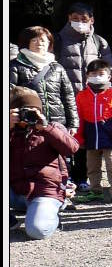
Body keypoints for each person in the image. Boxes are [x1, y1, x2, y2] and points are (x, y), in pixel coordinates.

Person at [54, 2, 112, 192]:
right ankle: (66, 178)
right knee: (66, 138)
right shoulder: (58, 40)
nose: (79, 22)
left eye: (84, 19)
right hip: (67, 98)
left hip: (95, 99)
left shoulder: (99, 41)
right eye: (75, 19)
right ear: (68, 18)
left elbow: (111, 70)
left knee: (87, 139)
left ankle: (84, 178)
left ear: (92, 20)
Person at [9, 87, 78, 240]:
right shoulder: (10, 130)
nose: (28, 115)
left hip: (44, 190)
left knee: (37, 231)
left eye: (34, 110)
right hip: (15, 192)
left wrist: (46, 128)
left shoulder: (52, 128)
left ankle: (52, 213)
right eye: (22, 111)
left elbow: (72, 148)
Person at [72, 58, 112, 204]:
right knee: (92, 168)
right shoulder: (81, 95)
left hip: (111, 138)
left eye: (101, 73)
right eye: (93, 73)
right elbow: (77, 118)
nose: (97, 76)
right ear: (87, 76)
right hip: (90, 138)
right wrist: (78, 138)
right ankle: (95, 191)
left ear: (108, 76)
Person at [10, 26, 77, 134]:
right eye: (34, 40)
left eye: (43, 40)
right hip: (27, 126)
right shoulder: (15, 66)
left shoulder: (57, 67)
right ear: (27, 42)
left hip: (56, 126)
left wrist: (73, 124)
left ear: (49, 43)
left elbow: (68, 97)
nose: (39, 43)